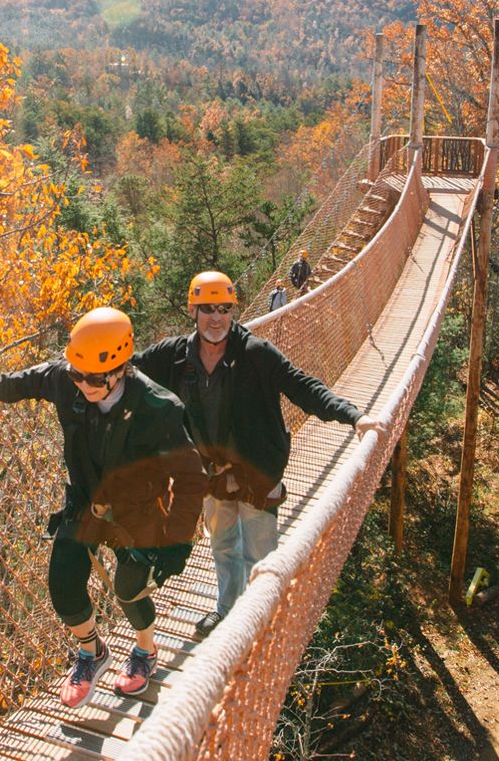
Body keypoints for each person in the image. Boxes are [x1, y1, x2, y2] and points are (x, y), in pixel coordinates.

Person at [0, 307, 205, 706]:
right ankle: (91, 653)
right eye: (76, 374)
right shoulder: (68, 378)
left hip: (139, 511)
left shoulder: (157, 408)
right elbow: (19, 383)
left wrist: (176, 546)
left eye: (93, 379)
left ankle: (146, 651)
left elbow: (191, 478)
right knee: (63, 586)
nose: (81, 385)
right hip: (86, 503)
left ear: (121, 368)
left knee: (129, 590)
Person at [134, 271, 362, 638]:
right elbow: (125, 372)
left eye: (224, 309)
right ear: (193, 310)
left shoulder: (256, 354)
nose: (217, 317)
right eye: (208, 308)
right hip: (210, 473)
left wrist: (352, 415)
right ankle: (227, 613)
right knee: (223, 546)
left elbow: (301, 386)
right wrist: (77, 376)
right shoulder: (175, 357)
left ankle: (263, 627)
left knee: (260, 556)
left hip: (257, 472)